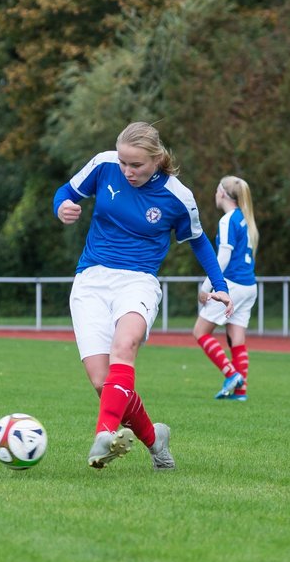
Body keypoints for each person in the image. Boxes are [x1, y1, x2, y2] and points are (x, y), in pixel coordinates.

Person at [54, 121, 234, 471]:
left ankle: (104, 433)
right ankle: (155, 440)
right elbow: (65, 193)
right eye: (123, 162)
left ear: (156, 158)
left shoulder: (177, 195)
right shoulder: (104, 164)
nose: (127, 170)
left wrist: (220, 285)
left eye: (136, 165)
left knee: (125, 346)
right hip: (90, 280)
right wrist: (62, 208)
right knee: (102, 382)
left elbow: (198, 240)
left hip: (138, 282)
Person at [193, 175, 258, 401]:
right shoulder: (244, 218)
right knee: (236, 339)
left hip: (232, 284)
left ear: (222, 193)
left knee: (200, 332)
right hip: (249, 286)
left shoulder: (228, 219)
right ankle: (240, 392)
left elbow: (223, 258)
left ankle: (231, 375)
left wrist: (206, 287)